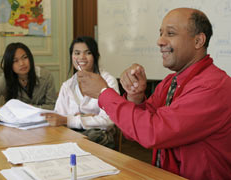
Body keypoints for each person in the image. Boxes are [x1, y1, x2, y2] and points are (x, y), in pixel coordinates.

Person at [76, 8, 231, 180]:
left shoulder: (213, 86)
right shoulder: (170, 81)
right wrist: (135, 96)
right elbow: (133, 133)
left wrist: (103, 93)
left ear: (198, 41)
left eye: (170, 33)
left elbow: (153, 133)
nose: (160, 41)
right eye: (160, 33)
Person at [41, 36, 119, 149]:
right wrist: (88, 117)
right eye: (77, 53)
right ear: (72, 56)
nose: (82, 57)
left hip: (99, 141)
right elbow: (58, 118)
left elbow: (108, 120)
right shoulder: (67, 86)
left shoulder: (108, 81)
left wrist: (69, 119)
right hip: (70, 137)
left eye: (87, 53)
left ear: (95, 56)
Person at [0, 42, 57, 112]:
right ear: (9, 64)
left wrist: (31, 108)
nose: (22, 63)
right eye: (15, 61)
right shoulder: (5, 79)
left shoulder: (46, 76)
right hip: (15, 121)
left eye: (25, 57)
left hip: (42, 119)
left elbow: (52, 106)